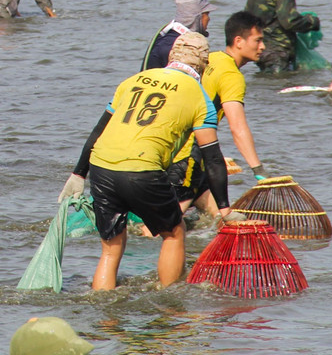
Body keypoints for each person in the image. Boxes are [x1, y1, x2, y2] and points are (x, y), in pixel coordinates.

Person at [58, 36, 233, 290]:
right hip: (142, 169)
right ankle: (170, 304)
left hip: (101, 166)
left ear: (171, 57)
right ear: (203, 66)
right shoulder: (200, 97)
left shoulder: (133, 81)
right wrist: (225, 209)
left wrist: (78, 174)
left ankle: (104, 315)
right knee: (174, 232)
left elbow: (99, 131)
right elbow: (212, 157)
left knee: (111, 247)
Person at [166, 15, 272, 218]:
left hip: (179, 147)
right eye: (258, 40)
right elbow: (237, 127)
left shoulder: (212, 58)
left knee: (218, 216)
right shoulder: (232, 76)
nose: (263, 47)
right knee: (162, 227)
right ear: (239, 42)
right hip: (189, 154)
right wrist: (258, 170)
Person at [141, 0, 214, 70]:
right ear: (196, 18)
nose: (208, 19)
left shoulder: (166, 35)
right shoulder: (176, 46)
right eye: (207, 14)